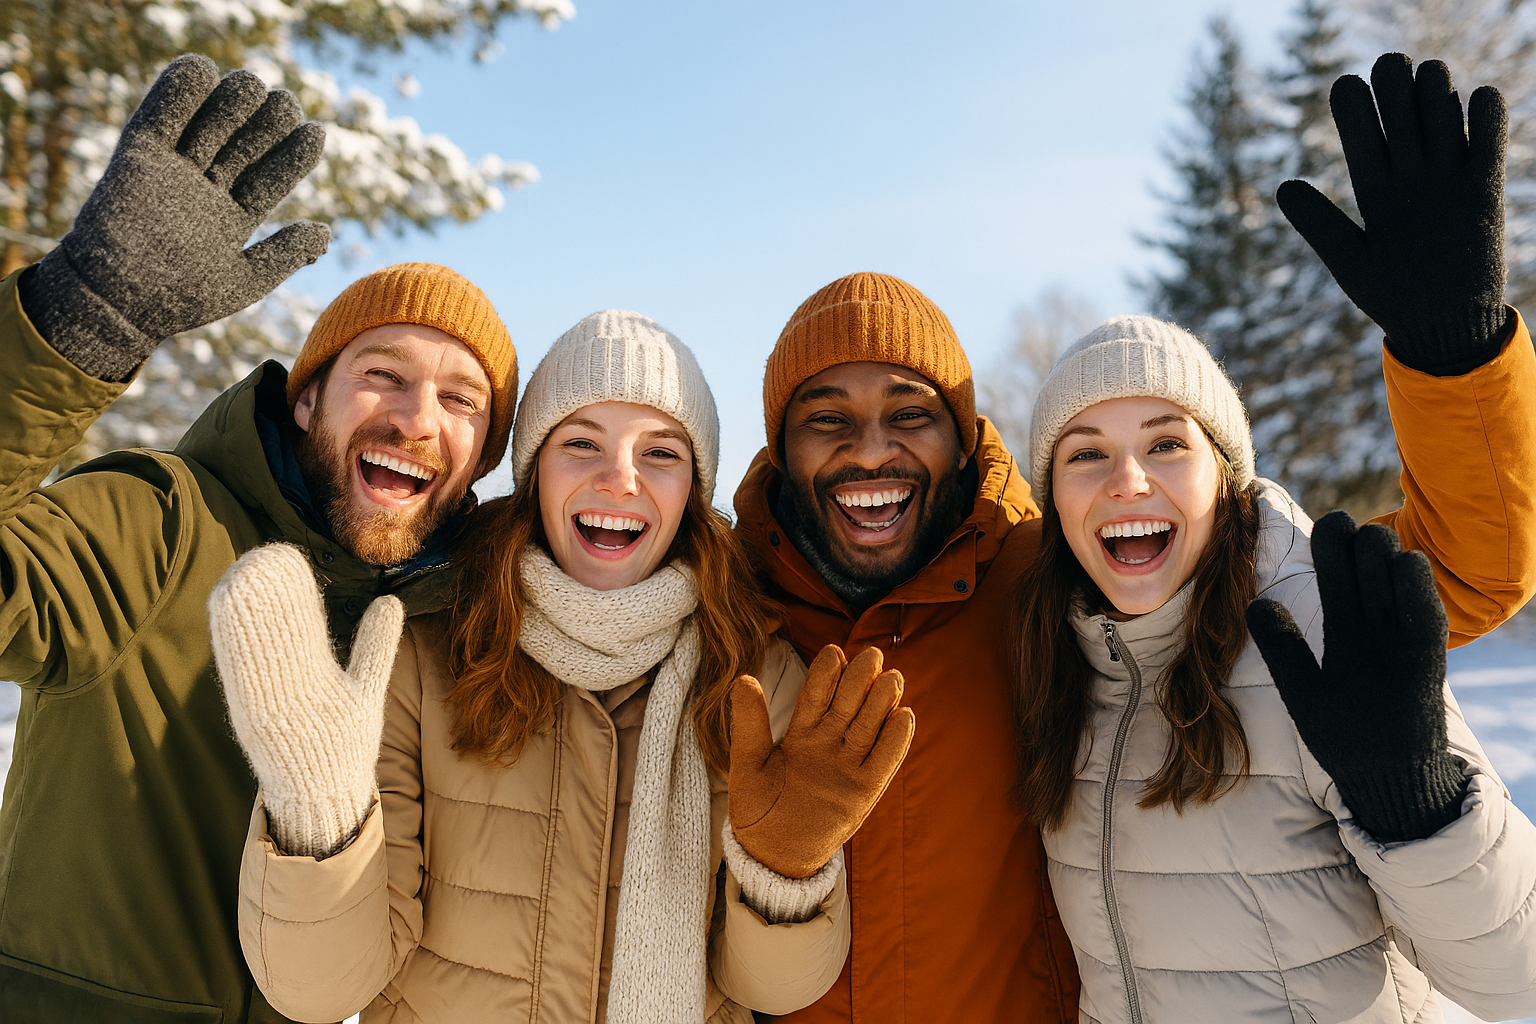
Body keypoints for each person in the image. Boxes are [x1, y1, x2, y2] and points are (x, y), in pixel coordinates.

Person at [734, 54, 1536, 1024]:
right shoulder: (730, 603)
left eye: (911, 412)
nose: (871, 449)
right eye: (826, 418)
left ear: (963, 441)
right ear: (780, 449)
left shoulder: (1039, 576)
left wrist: (1455, 358)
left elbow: (1460, 570)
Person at [0, 56, 519, 1023]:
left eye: (460, 400)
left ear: (482, 454)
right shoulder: (159, 523)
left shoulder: (462, 626)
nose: (415, 419)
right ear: (307, 394)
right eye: (382, 374)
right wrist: (83, 320)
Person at [211, 310, 914, 1022]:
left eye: (661, 453)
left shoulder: (758, 677)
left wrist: (783, 875)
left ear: (692, 494)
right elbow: (322, 988)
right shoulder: (422, 658)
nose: (620, 479)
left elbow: (776, 991)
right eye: (581, 443)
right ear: (533, 473)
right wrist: (317, 813)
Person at [1013, 318, 1536, 1022]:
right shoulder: (1057, 664)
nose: (1127, 481)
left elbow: (1517, 975)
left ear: (1225, 476)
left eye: (1166, 443)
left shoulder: (1319, 629)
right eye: (1085, 455)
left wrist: (1417, 808)